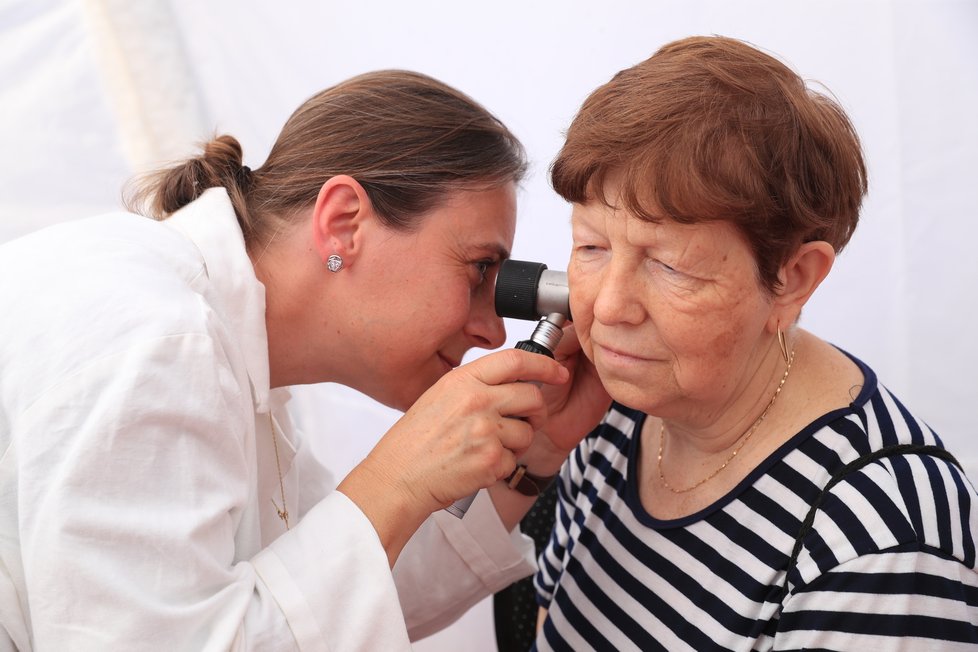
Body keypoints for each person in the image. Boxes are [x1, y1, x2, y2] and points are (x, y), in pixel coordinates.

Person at [0, 70, 609, 650]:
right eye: (480, 270)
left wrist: (531, 455)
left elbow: (334, 596)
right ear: (344, 222)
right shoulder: (159, 346)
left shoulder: (227, 345)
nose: (491, 329)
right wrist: (396, 477)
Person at [532, 35, 978, 651]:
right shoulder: (620, 409)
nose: (606, 308)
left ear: (792, 278)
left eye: (671, 267)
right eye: (591, 247)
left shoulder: (880, 537)